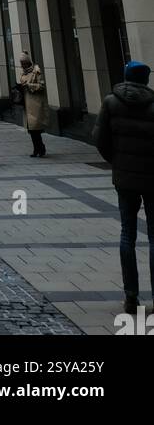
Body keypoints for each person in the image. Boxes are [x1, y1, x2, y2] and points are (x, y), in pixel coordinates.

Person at [93, 60, 154, 314]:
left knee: (127, 234)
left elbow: (98, 137)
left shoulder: (111, 101)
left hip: (124, 179)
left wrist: (116, 161)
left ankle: (131, 296)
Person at [17, 52, 49, 156]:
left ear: (28, 62)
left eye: (24, 63)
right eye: (21, 64)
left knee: (35, 129)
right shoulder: (23, 73)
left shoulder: (36, 71)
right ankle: (37, 149)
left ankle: (40, 148)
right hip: (27, 104)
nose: (22, 66)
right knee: (31, 130)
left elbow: (42, 86)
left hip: (35, 104)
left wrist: (29, 86)